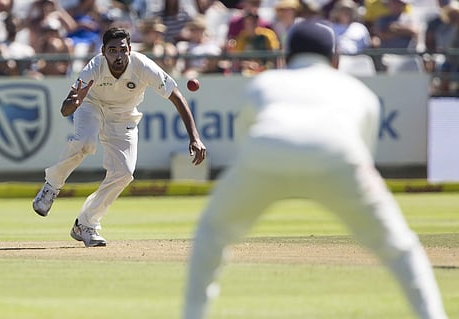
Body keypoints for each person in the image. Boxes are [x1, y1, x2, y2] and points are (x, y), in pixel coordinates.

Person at [182, 19, 449, 319]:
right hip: (339, 157)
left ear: (285, 57)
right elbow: (364, 153)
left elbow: (245, 137)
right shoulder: (357, 91)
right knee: (400, 248)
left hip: (265, 153)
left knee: (211, 233)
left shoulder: (264, 82)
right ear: (335, 59)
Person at [33, 27, 207, 247]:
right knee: (85, 143)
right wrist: (73, 104)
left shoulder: (143, 66)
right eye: (112, 50)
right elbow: (66, 109)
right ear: (104, 51)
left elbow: (177, 97)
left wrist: (195, 137)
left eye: (122, 50)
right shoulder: (94, 67)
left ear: (130, 49)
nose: (118, 56)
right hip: (92, 106)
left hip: (124, 115)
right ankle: (52, 185)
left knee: (124, 173)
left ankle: (85, 224)